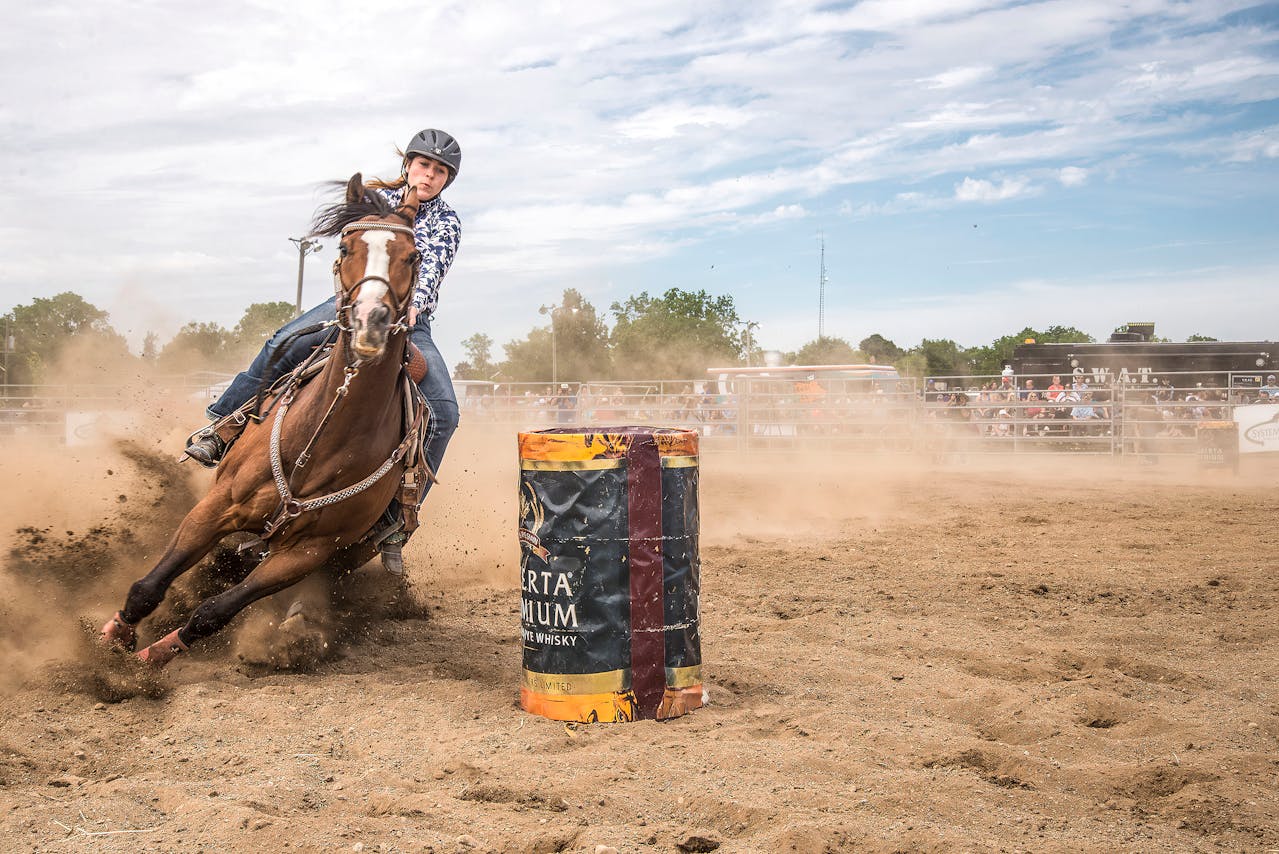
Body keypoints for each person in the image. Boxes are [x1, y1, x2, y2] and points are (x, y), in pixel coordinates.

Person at [183, 129, 464, 574]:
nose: (429, 175)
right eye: (424, 165)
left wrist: (414, 308)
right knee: (283, 342)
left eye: (440, 171)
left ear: (448, 180)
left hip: (407, 317)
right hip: (350, 305)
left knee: (445, 413)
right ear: (408, 164)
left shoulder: (445, 221)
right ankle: (221, 427)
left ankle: (396, 519)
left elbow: (431, 268)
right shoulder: (374, 202)